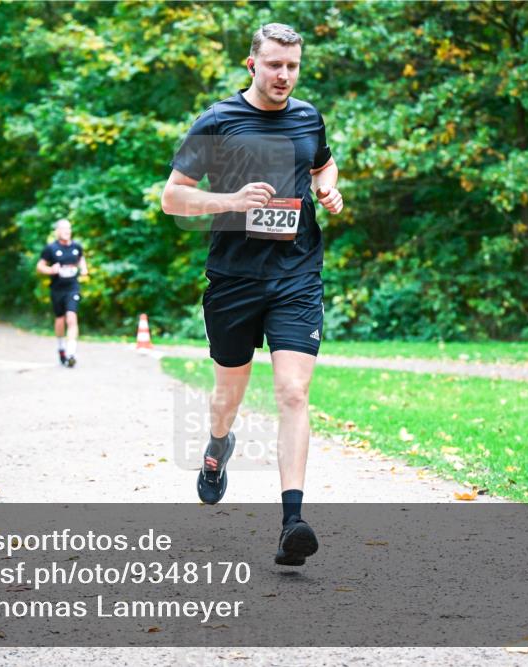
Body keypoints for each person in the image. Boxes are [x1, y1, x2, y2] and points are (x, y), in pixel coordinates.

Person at [161, 23, 343, 567]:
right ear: (252, 65)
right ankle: (218, 447)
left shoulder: (309, 116)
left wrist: (329, 187)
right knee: (227, 399)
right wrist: (233, 200)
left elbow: (323, 163)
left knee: (292, 392)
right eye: (274, 65)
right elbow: (172, 198)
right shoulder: (218, 121)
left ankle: (293, 522)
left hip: (296, 274)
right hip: (235, 280)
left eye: (292, 66)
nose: (284, 76)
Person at [36, 218, 88, 368]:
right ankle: (61, 349)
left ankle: (71, 353)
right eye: (64, 229)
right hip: (57, 289)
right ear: (57, 231)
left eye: (69, 229)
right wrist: (50, 270)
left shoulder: (76, 246)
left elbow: (81, 259)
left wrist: (83, 268)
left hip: (73, 287)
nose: (67, 231)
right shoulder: (51, 248)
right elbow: (40, 266)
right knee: (60, 319)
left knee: (71, 317)